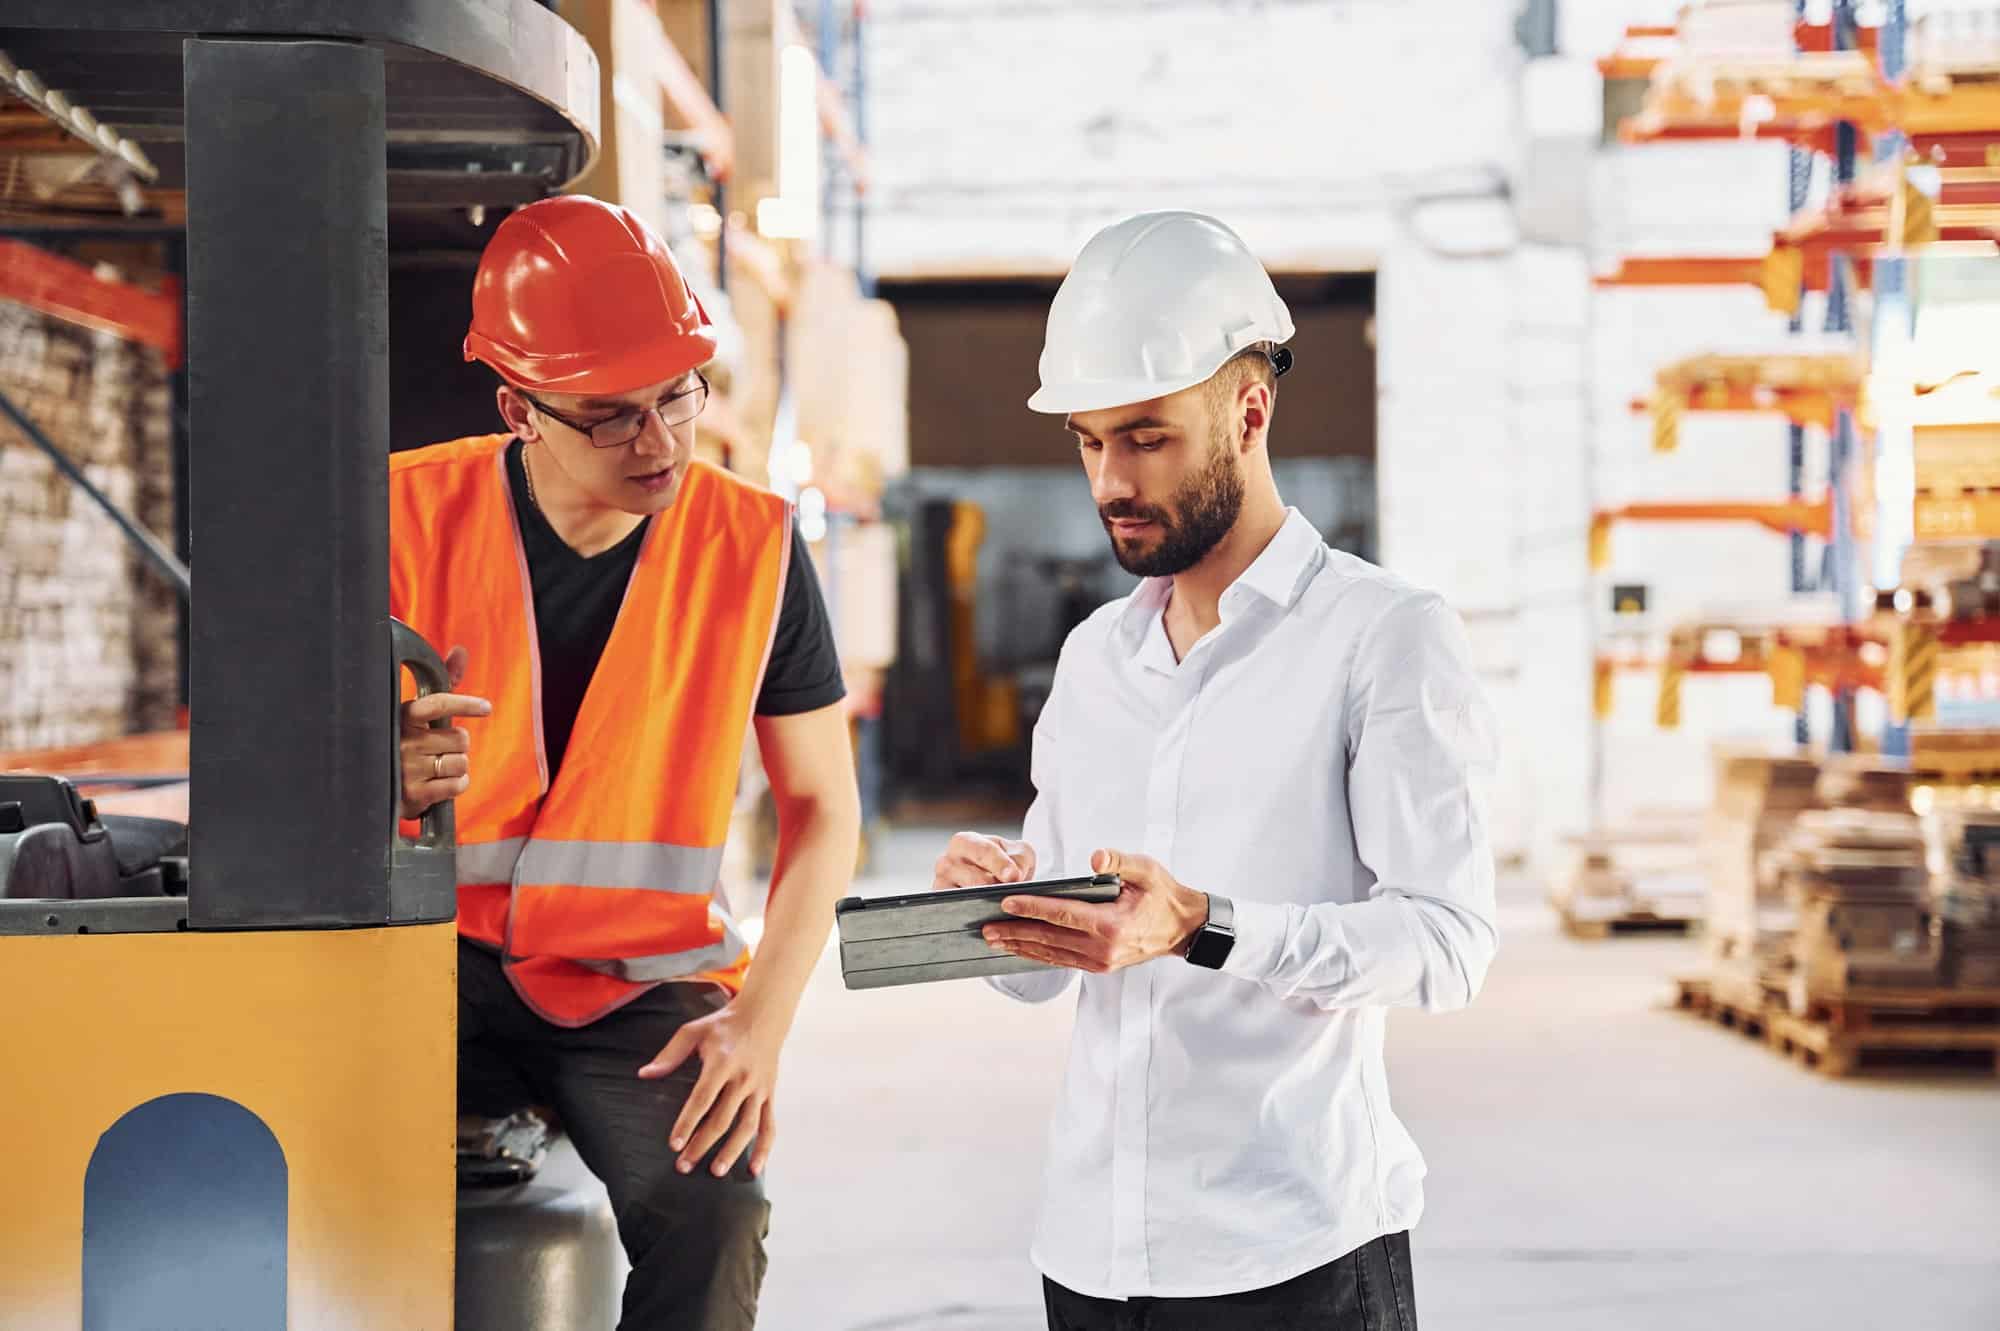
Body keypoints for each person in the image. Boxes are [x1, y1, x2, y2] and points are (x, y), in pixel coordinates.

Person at [930, 211, 1498, 1331]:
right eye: (1090, 442)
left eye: (1146, 437)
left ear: (1249, 410)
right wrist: (988, 913)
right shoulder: (1095, 658)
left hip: (1291, 1251)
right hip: (1090, 1251)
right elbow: (1049, 972)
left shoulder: (1383, 635)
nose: (1110, 480)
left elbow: (1446, 941)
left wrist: (1207, 925)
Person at [392, 194, 860, 1330]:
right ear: (519, 406)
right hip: (419, 960)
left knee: (716, 1207)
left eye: (675, 398)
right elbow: (273, 763)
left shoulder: (753, 549)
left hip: (631, 982)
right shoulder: (399, 513)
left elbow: (821, 809)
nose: (656, 443)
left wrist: (759, 1022)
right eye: (608, 416)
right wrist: (370, 772)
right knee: (306, 1176)